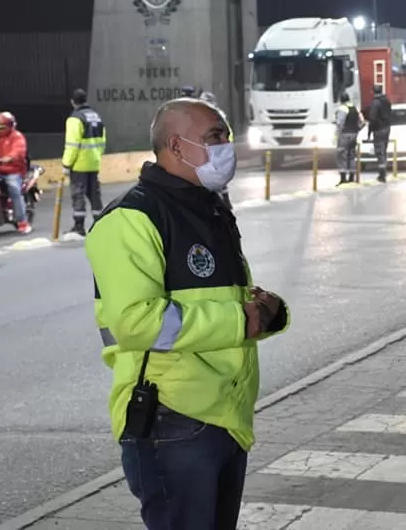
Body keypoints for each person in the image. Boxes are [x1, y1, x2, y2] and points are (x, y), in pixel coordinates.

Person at [84, 97, 290, 530]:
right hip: (172, 419)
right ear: (176, 146)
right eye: (215, 136)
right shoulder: (132, 219)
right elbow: (136, 321)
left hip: (222, 414)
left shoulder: (207, 207)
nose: (226, 146)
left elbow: (220, 299)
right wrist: (241, 320)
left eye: (226, 136)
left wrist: (269, 313)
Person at [63, 88, 107, 236]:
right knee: (94, 194)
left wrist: (66, 163)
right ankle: (100, 223)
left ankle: (79, 226)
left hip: (79, 164)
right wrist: (96, 156)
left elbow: (72, 144)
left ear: (72, 102)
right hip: (94, 162)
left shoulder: (75, 118)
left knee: (78, 194)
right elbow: (103, 141)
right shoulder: (96, 116)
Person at [199, 90, 235, 209]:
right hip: (214, 148)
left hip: (215, 148)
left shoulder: (214, 115)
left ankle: (222, 200)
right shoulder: (217, 114)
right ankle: (223, 200)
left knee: (215, 175)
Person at [335, 92, 363, 185]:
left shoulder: (342, 108)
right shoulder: (355, 108)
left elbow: (340, 123)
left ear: (341, 100)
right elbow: (362, 122)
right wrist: (357, 129)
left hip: (344, 135)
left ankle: (343, 178)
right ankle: (351, 177)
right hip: (354, 134)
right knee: (351, 155)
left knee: (341, 155)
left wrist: (336, 135)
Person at [367, 84, 392, 182]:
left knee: (379, 151)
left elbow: (372, 118)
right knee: (384, 150)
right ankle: (384, 171)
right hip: (387, 128)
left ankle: (382, 175)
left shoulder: (375, 103)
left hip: (378, 129)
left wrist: (369, 132)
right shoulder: (387, 101)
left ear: (373, 91)